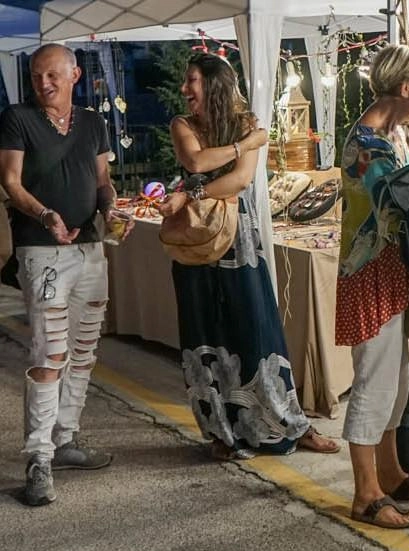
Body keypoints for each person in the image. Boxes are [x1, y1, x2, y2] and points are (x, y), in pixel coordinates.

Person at [160, 52, 338, 461]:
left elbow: (240, 180)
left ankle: (288, 423)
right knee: (203, 330)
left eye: (192, 81)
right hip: (196, 237)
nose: (186, 89)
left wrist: (193, 191)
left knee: (257, 326)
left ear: (214, 84)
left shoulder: (245, 120)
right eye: (186, 81)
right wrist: (241, 147)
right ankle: (221, 431)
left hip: (239, 237)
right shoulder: (186, 126)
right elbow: (196, 160)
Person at [0, 44, 135, 506]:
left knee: (83, 349)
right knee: (49, 352)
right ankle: (38, 457)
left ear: (75, 74)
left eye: (53, 75)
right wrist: (45, 216)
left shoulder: (93, 123)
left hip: (90, 249)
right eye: (37, 76)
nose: (44, 84)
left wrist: (113, 209)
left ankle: (66, 439)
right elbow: (11, 182)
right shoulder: (18, 118)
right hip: (42, 252)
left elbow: (102, 183)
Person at [335, 44, 409, 530]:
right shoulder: (370, 144)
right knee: (375, 382)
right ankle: (365, 493)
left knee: (397, 380)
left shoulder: (388, 132)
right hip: (371, 272)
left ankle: (392, 473)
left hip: (387, 271)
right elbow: (397, 210)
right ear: (405, 88)